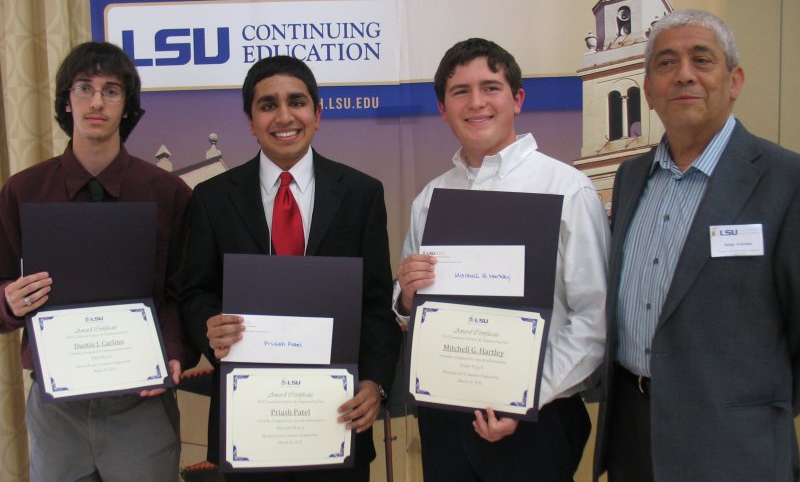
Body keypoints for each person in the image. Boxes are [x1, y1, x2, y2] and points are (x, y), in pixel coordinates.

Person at [593, 9, 800, 482]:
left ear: (735, 80)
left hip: (733, 448)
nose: (683, 74)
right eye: (666, 63)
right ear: (647, 90)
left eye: (701, 59)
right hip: (633, 436)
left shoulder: (786, 181)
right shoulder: (630, 177)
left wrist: (748, 412)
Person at [394, 37, 610, 482]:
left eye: (490, 87)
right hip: (446, 421)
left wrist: (525, 397)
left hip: (539, 418)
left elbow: (593, 320)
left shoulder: (567, 190)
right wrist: (407, 299)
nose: (476, 103)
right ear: (442, 108)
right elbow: (410, 308)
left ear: (517, 99)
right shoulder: (430, 199)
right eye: (460, 92)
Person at [179, 55, 401, 481]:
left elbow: (375, 304)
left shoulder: (361, 194)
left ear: (318, 114)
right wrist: (208, 325)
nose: (284, 116)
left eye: (296, 102)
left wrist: (374, 383)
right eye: (268, 105)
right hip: (249, 423)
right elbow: (194, 292)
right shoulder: (211, 198)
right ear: (250, 120)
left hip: (338, 418)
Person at [0, 41, 195, 481]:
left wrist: (178, 350)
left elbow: (184, 291)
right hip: (56, 408)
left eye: (111, 91)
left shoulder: (168, 194)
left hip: (140, 403)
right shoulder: (22, 191)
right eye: (84, 88)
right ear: (66, 101)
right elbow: (0, 285)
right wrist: (9, 301)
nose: (95, 102)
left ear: (127, 106)